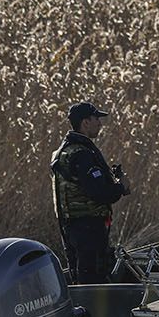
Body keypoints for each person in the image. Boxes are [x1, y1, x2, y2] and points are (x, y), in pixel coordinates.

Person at [51, 101, 129, 284]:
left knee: (79, 277)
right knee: (93, 280)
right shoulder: (82, 154)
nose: (100, 124)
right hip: (88, 228)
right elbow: (99, 192)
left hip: (70, 227)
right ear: (85, 123)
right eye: (96, 119)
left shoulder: (61, 152)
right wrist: (121, 187)